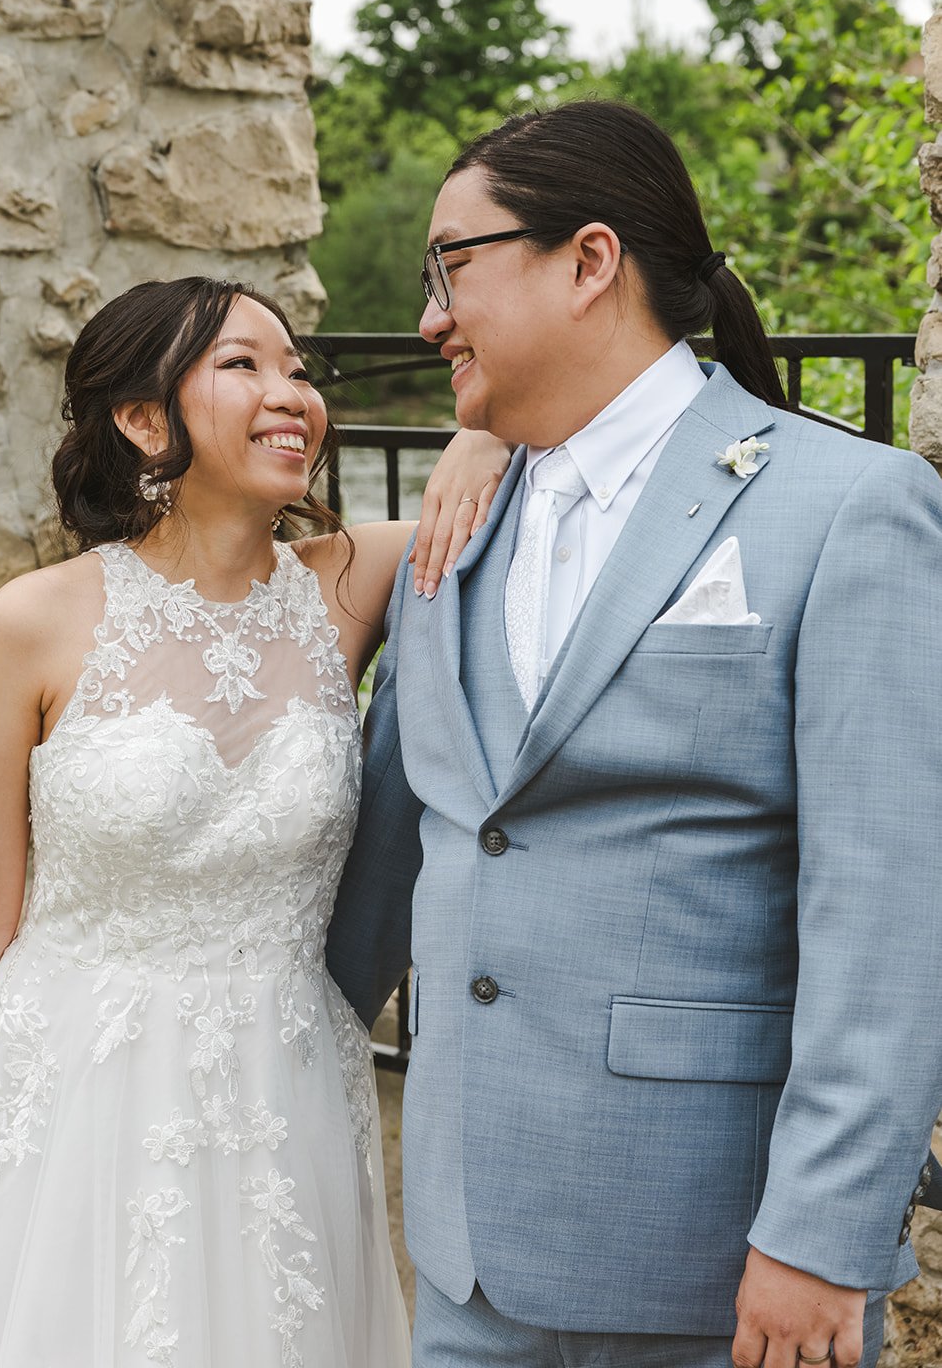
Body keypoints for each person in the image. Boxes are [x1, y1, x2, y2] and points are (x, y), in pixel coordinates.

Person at [325, 99, 942, 1368]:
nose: (427, 313)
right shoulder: (454, 520)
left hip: (716, 1269)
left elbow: (888, 904)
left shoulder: (848, 508)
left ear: (588, 261)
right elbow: (402, 852)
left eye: (451, 265)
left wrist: (823, 1232)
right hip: (459, 1258)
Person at [0, 276, 510, 1368]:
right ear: (140, 418)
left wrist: (478, 438)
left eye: (298, 371)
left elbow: (537, 490)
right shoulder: (33, 622)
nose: (290, 395)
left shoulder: (349, 588)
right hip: (66, 1096)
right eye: (243, 365)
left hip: (284, 1096)